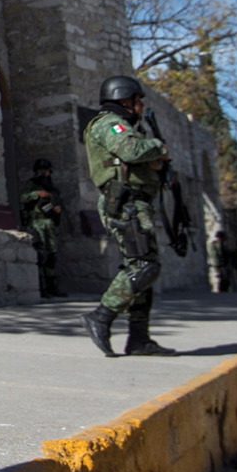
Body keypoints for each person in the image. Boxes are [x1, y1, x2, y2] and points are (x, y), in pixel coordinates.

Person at [79, 75, 178, 357]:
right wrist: (159, 148)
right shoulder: (111, 123)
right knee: (145, 266)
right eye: (138, 100)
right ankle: (101, 316)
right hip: (126, 203)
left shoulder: (124, 126)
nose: (141, 106)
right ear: (125, 100)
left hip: (136, 202)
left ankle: (138, 338)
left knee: (141, 270)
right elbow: (130, 149)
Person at [20, 158, 65, 298]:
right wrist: (37, 194)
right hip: (37, 222)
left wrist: (57, 209)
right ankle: (41, 287)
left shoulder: (52, 187)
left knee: (51, 255)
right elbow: (22, 198)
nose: (43, 173)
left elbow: (56, 201)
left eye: (45, 171)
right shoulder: (32, 184)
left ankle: (52, 287)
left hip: (49, 223)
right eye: (40, 171)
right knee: (40, 255)